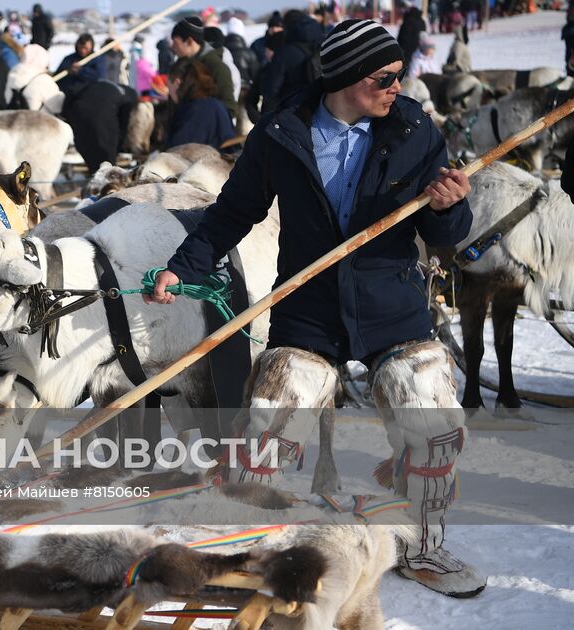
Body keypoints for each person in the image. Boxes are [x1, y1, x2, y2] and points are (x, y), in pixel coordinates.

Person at [149, 20, 486, 601]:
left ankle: (424, 544)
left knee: (430, 409)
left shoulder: (412, 128)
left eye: (399, 75)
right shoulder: (281, 134)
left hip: (391, 303)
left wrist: (449, 208)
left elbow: (447, 231)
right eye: (384, 77)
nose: (396, 87)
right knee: (273, 411)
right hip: (308, 306)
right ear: (347, 78)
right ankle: (249, 537)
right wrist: (185, 268)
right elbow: (232, 213)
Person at [259, 10, 325, 113]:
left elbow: (271, 90)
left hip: (294, 112)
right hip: (326, 109)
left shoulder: (284, 52)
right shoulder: (325, 44)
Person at [168, 17, 237, 117]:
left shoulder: (216, 67)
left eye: (175, 42)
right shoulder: (180, 66)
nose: (173, 47)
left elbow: (229, 109)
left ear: (189, 41)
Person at [166, 59, 235, 148]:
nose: (169, 93)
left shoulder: (195, 111)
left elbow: (178, 151)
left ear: (177, 82)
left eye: (169, 87)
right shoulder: (215, 104)